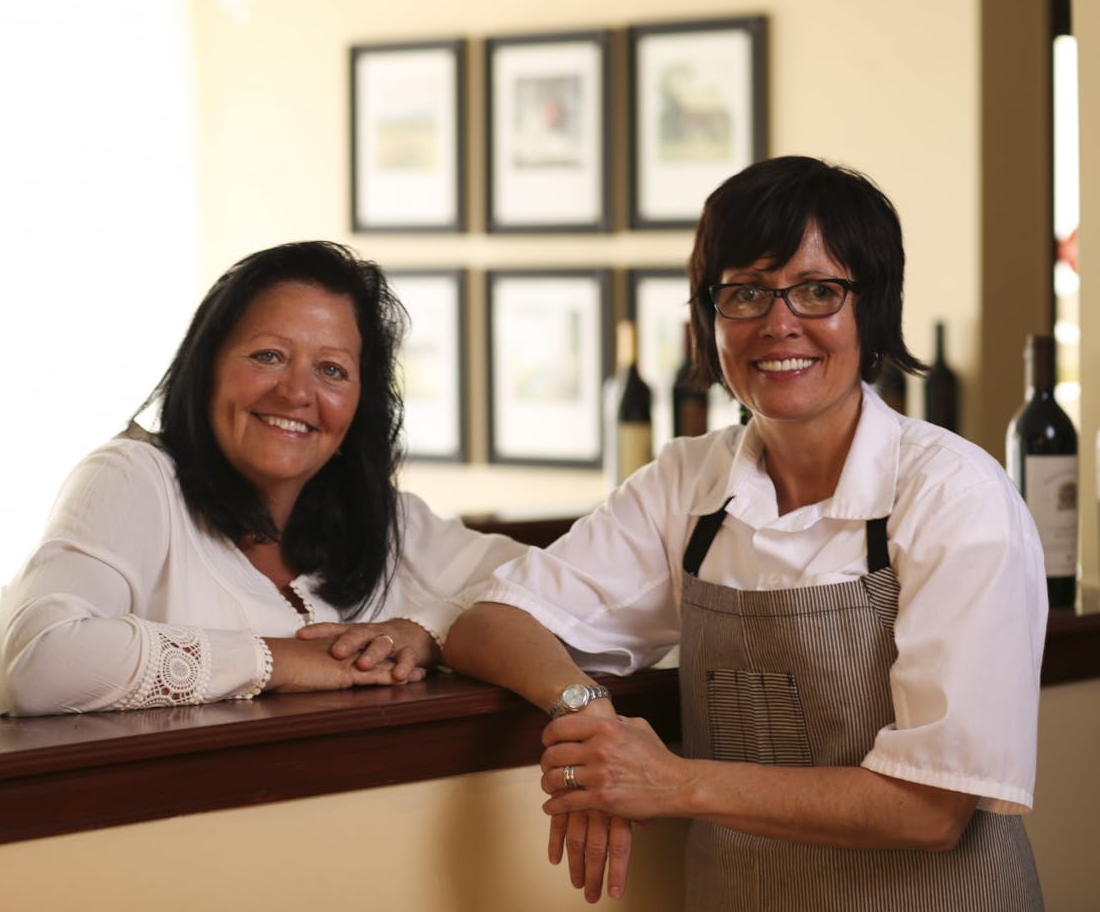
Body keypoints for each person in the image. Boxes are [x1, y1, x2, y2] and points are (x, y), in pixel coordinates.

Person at [443, 156, 1047, 909]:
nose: (778, 322)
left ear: (875, 308)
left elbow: (931, 807)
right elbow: (490, 623)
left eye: (819, 290)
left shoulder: (955, 495)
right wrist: (586, 713)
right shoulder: (687, 481)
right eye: (747, 292)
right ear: (710, 315)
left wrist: (671, 780)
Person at [0, 240, 525, 715]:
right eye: (269, 356)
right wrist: (281, 662)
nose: (297, 392)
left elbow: (560, 599)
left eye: (332, 370)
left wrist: (425, 631)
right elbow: (40, 662)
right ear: (208, 367)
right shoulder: (132, 478)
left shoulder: (393, 523)